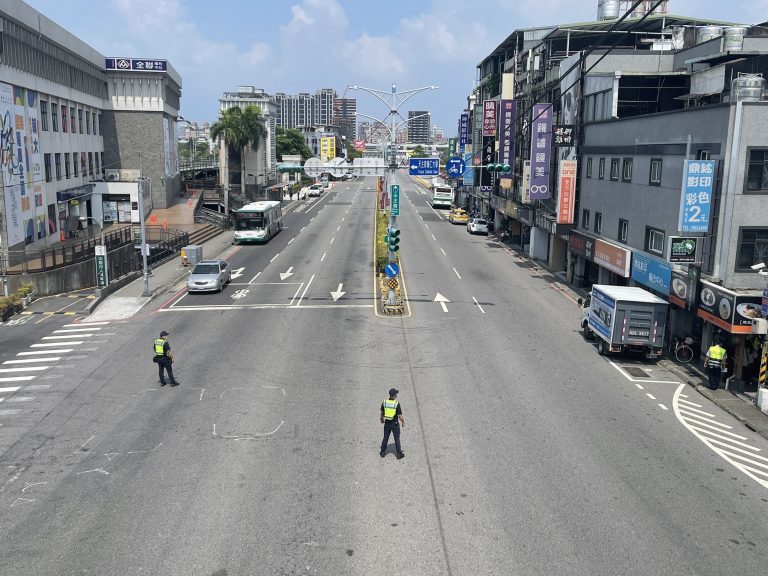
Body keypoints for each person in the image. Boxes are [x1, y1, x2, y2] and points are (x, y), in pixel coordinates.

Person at [380, 388, 405, 459]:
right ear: (394, 395)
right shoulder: (396, 403)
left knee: (385, 438)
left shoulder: (384, 402)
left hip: (387, 423)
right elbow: (400, 416)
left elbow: (382, 412)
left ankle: (382, 452)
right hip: (394, 423)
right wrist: (403, 422)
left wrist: (381, 419)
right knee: (396, 438)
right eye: (396, 394)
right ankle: (399, 453)